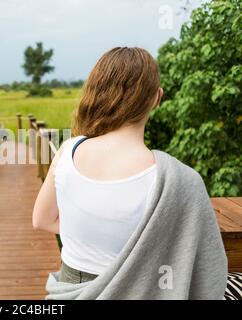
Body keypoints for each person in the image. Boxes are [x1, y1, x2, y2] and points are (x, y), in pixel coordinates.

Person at [32, 47, 227, 299]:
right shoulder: (180, 180)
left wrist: (90, 229)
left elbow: (41, 220)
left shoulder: (68, 151)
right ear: (157, 97)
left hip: (69, 290)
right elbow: (207, 269)